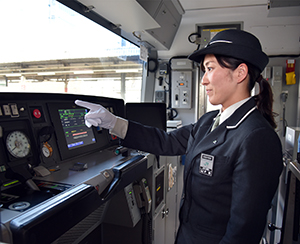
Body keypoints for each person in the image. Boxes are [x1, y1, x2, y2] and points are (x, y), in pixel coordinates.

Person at [75, 29, 283, 244]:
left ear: (240, 73)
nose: (203, 80)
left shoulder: (257, 137)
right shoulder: (209, 121)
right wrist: (114, 123)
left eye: (210, 69)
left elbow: (244, 230)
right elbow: (166, 142)